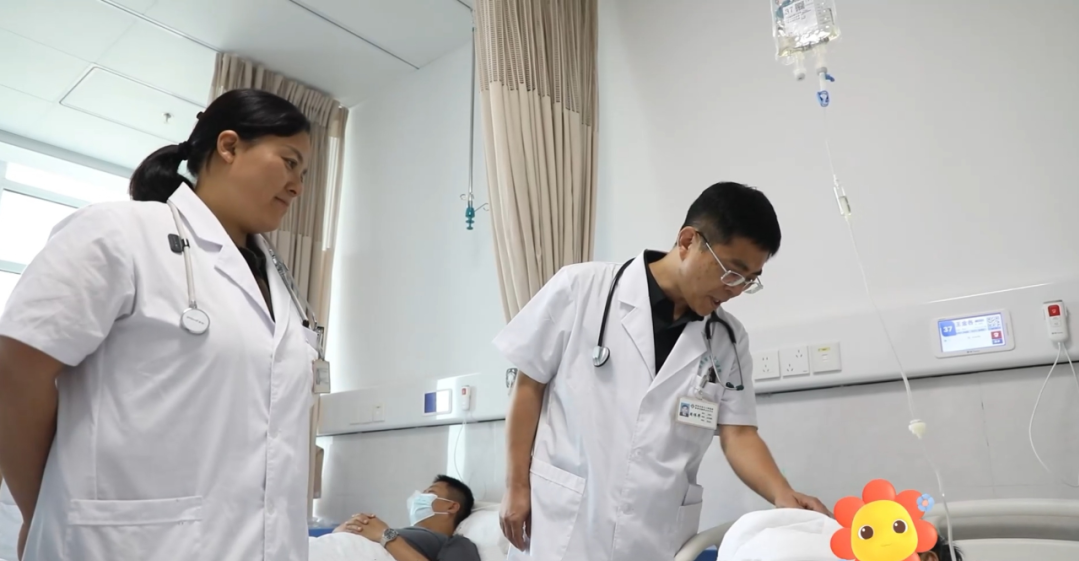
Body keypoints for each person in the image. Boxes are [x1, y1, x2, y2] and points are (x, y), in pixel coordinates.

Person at [0, 89, 319, 561]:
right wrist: (38, 508)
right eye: (289, 162)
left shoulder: (281, 285)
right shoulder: (118, 232)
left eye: (303, 173)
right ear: (229, 146)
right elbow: (16, 370)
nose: (297, 187)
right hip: (125, 545)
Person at [495, 182, 829, 561]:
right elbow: (528, 386)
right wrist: (516, 485)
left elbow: (738, 433)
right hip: (565, 525)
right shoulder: (582, 289)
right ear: (688, 241)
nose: (736, 290)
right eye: (732, 272)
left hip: (654, 533)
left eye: (749, 280)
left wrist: (782, 493)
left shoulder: (727, 338)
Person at [333, 475, 481, 561]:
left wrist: (386, 535)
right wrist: (344, 531)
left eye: (429, 492)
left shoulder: (456, 542)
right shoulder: (402, 532)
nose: (418, 498)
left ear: (451, 507)